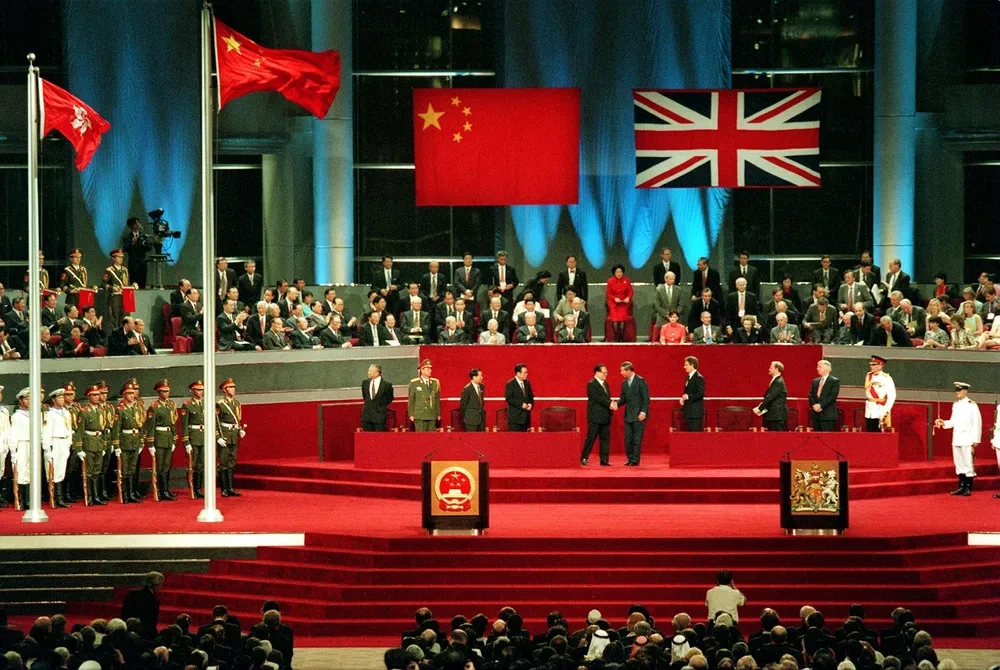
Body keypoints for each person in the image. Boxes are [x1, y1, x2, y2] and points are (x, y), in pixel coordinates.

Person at [935, 382, 982, 497]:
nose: (957, 392)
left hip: (967, 438)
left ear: (965, 391)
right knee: (959, 463)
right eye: (956, 390)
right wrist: (943, 423)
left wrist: (976, 439)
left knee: (968, 463)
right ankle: (961, 486)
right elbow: (953, 421)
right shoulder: (955, 405)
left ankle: (968, 487)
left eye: (959, 390)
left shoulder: (972, 405)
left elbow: (977, 423)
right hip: (957, 438)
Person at [144, 380, 178, 501]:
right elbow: (150, 426)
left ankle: (166, 490)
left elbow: (173, 423)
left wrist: (174, 439)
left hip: (168, 438)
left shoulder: (171, 405)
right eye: (163, 391)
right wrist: (150, 443)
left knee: (167, 465)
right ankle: (160, 490)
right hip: (159, 438)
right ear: (159, 392)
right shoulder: (154, 407)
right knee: (160, 466)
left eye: (167, 391)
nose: (166, 393)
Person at [75, 385, 108, 506]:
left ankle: (96, 496)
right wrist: (79, 448)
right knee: (89, 471)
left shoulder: (101, 410)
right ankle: (89, 496)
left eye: (98, 395)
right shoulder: (84, 412)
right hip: (89, 443)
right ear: (89, 397)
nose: (97, 397)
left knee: (97, 471)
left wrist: (104, 445)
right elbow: (80, 431)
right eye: (94, 395)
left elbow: (104, 429)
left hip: (99, 442)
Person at [115, 381, 146, 503]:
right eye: (129, 393)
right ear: (124, 395)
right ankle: (125, 494)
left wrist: (141, 441)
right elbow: (117, 429)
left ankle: (132, 493)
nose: (132, 395)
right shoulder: (120, 409)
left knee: (132, 469)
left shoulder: (137, 408)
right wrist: (117, 445)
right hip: (125, 441)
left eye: (133, 393)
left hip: (135, 440)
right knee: (125, 469)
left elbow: (140, 425)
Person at [580, 364, 614, 466]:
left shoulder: (606, 384)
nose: (606, 374)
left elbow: (606, 398)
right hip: (595, 416)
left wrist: (611, 404)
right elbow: (598, 398)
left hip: (606, 416)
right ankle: (584, 458)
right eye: (604, 372)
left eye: (606, 372)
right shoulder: (591, 384)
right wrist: (610, 404)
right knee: (591, 438)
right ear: (597, 372)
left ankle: (604, 459)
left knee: (605, 439)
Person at [216, 378, 245, 497]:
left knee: (232, 461)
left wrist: (239, 430)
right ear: (224, 389)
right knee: (223, 462)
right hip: (225, 435)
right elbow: (216, 422)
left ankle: (231, 488)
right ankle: (224, 489)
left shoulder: (236, 403)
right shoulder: (220, 404)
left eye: (234, 387)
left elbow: (237, 419)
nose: (233, 389)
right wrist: (218, 436)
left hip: (233, 435)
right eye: (230, 387)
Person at [617, 361, 649, 466]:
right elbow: (623, 399)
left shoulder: (640, 381)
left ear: (629, 370)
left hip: (639, 415)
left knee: (636, 439)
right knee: (628, 439)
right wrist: (615, 404)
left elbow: (646, 398)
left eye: (622, 370)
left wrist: (643, 412)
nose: (621, 373)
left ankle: (635, 460)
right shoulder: (624, 383)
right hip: (628, 415)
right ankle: (630, 458)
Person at [121, 571, 163, 640]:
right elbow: (151, 623)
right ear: (155, 585)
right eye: (160, 585)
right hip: (144, 635)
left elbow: (124, 614)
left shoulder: (132, 594)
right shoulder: (153, 600)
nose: (161, 587)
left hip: (128, 630)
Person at [9, 388, 32, 509]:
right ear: (20, 400)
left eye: (30, 399)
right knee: (21, 472)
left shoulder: (34, 414)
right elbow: (13, 434)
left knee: (31, 471)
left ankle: (29, 500)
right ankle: (22, 500)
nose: (28, 401)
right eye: (26, 399)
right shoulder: (17, 416)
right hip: (22, 444)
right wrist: (13, 451)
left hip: (32, 444)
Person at [864, 355, 896, 431]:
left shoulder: (886, 378)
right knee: (869, 432)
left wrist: (886, 410)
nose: (871, 366)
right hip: (869, 409)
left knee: (878, 433)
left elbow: (892, 395)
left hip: (880, 409)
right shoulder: (869, 376)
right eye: (871, 364)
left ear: (880, 365)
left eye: (874, 365)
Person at [753, 361, 788, 431]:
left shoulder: (778, 382)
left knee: (777, 436)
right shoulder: (777, 380)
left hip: (777, 416)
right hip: (774, 416)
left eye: (771, 368)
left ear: (776, 369)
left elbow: (770, 397)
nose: (769, 369)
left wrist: (760, 408)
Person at [408, 360, 440, 432]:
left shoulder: (435, 383)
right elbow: (411, 399)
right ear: (422, 370)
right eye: (428, 369)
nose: (430, 371)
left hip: (431, 414)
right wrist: (411, 414)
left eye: (430, 368)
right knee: (421, 436)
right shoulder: (414, 383)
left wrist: (438, 413)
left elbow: (437, 400)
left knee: (432, 436)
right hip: (420, 414)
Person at [103, 248, 131, 331]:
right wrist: (112, 288)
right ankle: (115, 333)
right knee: (115, 316)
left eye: (122, 257)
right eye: (118, 257)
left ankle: (123, 332)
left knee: (124, 316)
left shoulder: (124, 270)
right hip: (115, 296)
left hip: (125, 296)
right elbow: (103, 284)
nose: (121, 259)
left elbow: (126, 284)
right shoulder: (109, 270)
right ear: (113, 258)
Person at [809, 360, 840, 431]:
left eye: (820, 367)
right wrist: (814, 405)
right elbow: (811, 395)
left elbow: (832, 397)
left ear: (826, 368)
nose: (817, 369)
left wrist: (820, 405)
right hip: (816, 415)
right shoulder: (815, 381)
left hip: (827, 415)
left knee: (827, 436)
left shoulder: (834, 381)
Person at [361, 364, 394, 432]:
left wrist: (380, 405)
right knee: (367, 437)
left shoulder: (386, 385)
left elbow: (389, 398)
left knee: (378, 437)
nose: (368, 372)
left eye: (370, 371)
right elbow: (365, 396)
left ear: (377, 373)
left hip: (380, 417)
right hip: (367, 417)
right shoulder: (365, 383)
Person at [121, 216, 149, 289]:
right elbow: (126, 248)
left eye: (138, 222)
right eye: (135, 223)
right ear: (131, 225)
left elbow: (148, 248)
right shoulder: (127, 237)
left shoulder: (143, 236)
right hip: (133, 265)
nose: (137, 225)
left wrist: (145, 244)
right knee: (134, 285)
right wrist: (133, 243)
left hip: (142, 264)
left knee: (142, 284)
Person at [505, 364, 533, 432]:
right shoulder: (510, 384)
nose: (526, 374)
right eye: (524, 373)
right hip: (515, 419)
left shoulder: (527, 383)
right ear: (518, 373)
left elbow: (531, 396)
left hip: (526, 418)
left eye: (526, 372)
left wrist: (530, 403)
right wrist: (521, 404)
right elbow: (508, 398)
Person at [681, 356, 705, 431]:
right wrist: (683, 399)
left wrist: (688, 397)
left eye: (686, 365)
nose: (684, 367)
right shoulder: (688, 377)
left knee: (694, 435)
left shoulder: (698, 377)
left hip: (695, 414)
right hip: (689, 413)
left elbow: (701, 394)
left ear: (692, 365)